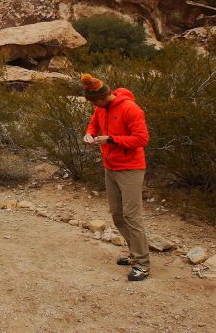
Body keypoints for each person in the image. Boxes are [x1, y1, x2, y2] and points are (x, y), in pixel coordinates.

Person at [81, 73, 151, 282]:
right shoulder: (100, 108)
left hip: (130, 168)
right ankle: (135, 253)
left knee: (132, 215)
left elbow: (142, 139)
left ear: (105, 96)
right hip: (110, 167)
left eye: (96, 102)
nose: (95, 106)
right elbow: (93, 124)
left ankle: (143, 263)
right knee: (117, 214)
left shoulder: (130, 109)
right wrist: (89, 134)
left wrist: (111, 139)